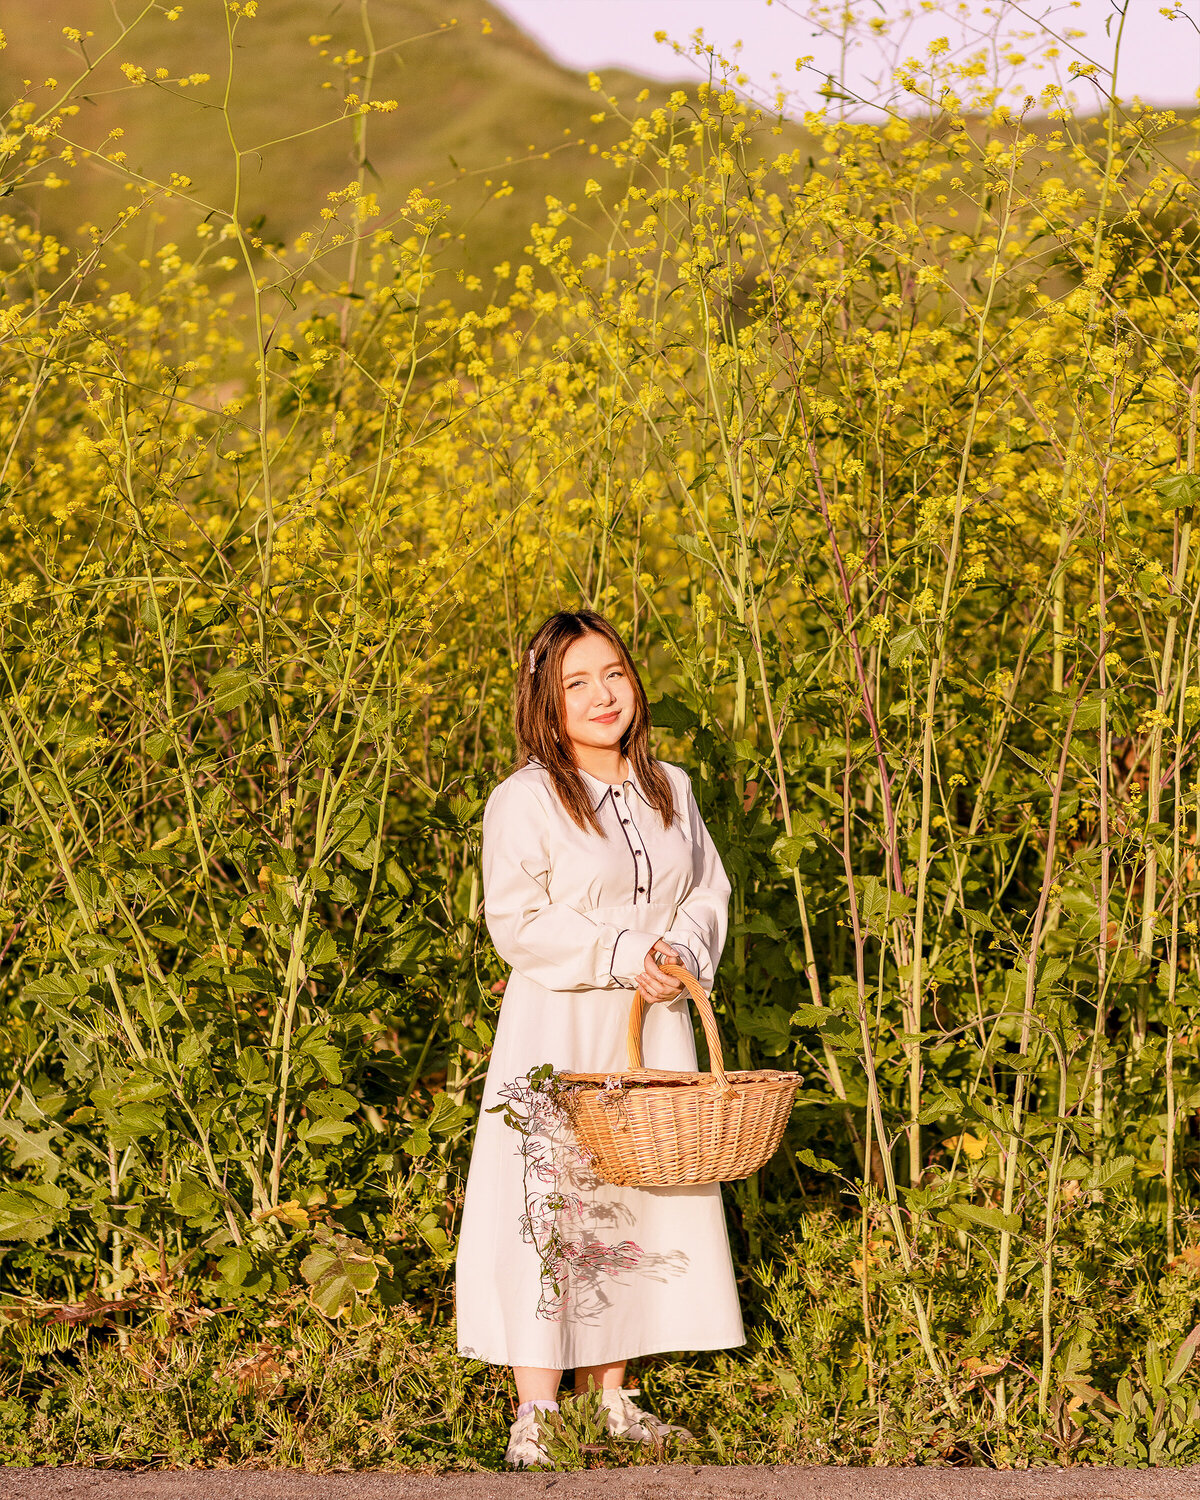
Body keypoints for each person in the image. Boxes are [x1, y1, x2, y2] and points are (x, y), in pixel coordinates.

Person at [454, 608, 744, 1468]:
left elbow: (706, 890)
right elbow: (517, 921)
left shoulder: (672, 787)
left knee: (635, 1198)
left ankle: (613, 1394)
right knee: (548, 1197)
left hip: (649, 1024)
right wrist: (624, 954)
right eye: (576, 682)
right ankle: (537, 1412)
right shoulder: (526, 798)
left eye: (612, 673)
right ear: (547, 701)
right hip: (561, 1022)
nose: (601, 695)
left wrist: (679, 952)